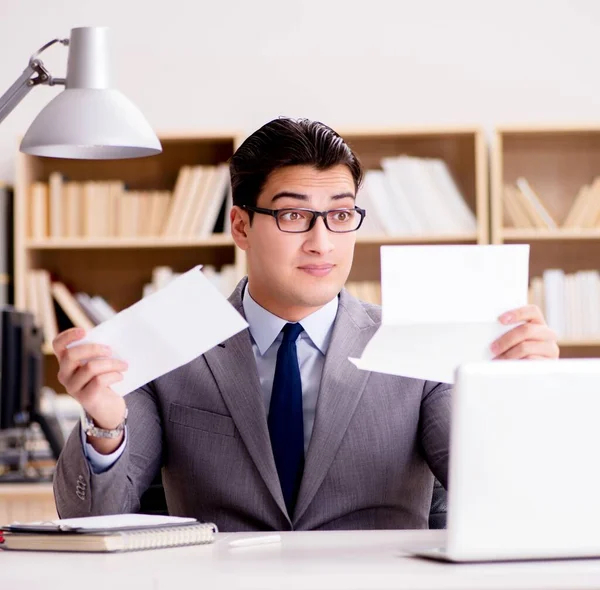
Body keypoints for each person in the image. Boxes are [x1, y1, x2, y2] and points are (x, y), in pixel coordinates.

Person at [52, 118, 559, 531]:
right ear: (241, 226)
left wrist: (520, 397)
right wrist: (105, 424)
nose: (322, 242)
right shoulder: (171, 344)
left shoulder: (415, 342)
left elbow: (507, 505)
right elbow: (89, 519)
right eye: (294, 217)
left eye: (340, 216)